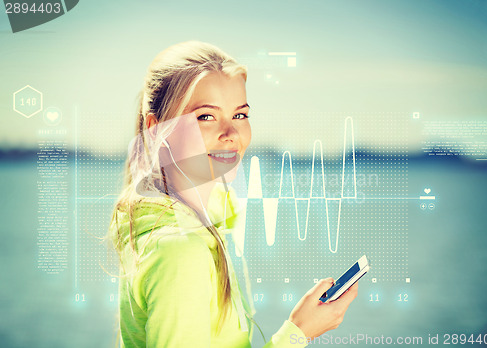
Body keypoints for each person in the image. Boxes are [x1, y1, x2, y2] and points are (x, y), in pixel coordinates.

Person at [108, 41, 358, 347]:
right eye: (206, 117)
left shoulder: (199, 227)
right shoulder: (180, 250)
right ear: (157, 129)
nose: (231, 134)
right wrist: (297, 333)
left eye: (240, 115)